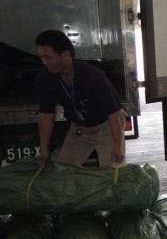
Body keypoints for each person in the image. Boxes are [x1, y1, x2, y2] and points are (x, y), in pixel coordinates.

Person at [35, 30, 126, 167]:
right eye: (41, 57)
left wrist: (117, 146)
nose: (45, 62)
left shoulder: (92, 76)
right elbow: (46, 115)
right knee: (63, 171)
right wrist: (44, 149)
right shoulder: (45, 79)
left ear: (66, 54)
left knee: (111, 174)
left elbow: (113, 115)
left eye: (49, 57)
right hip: (79, 130)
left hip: (106, 127)